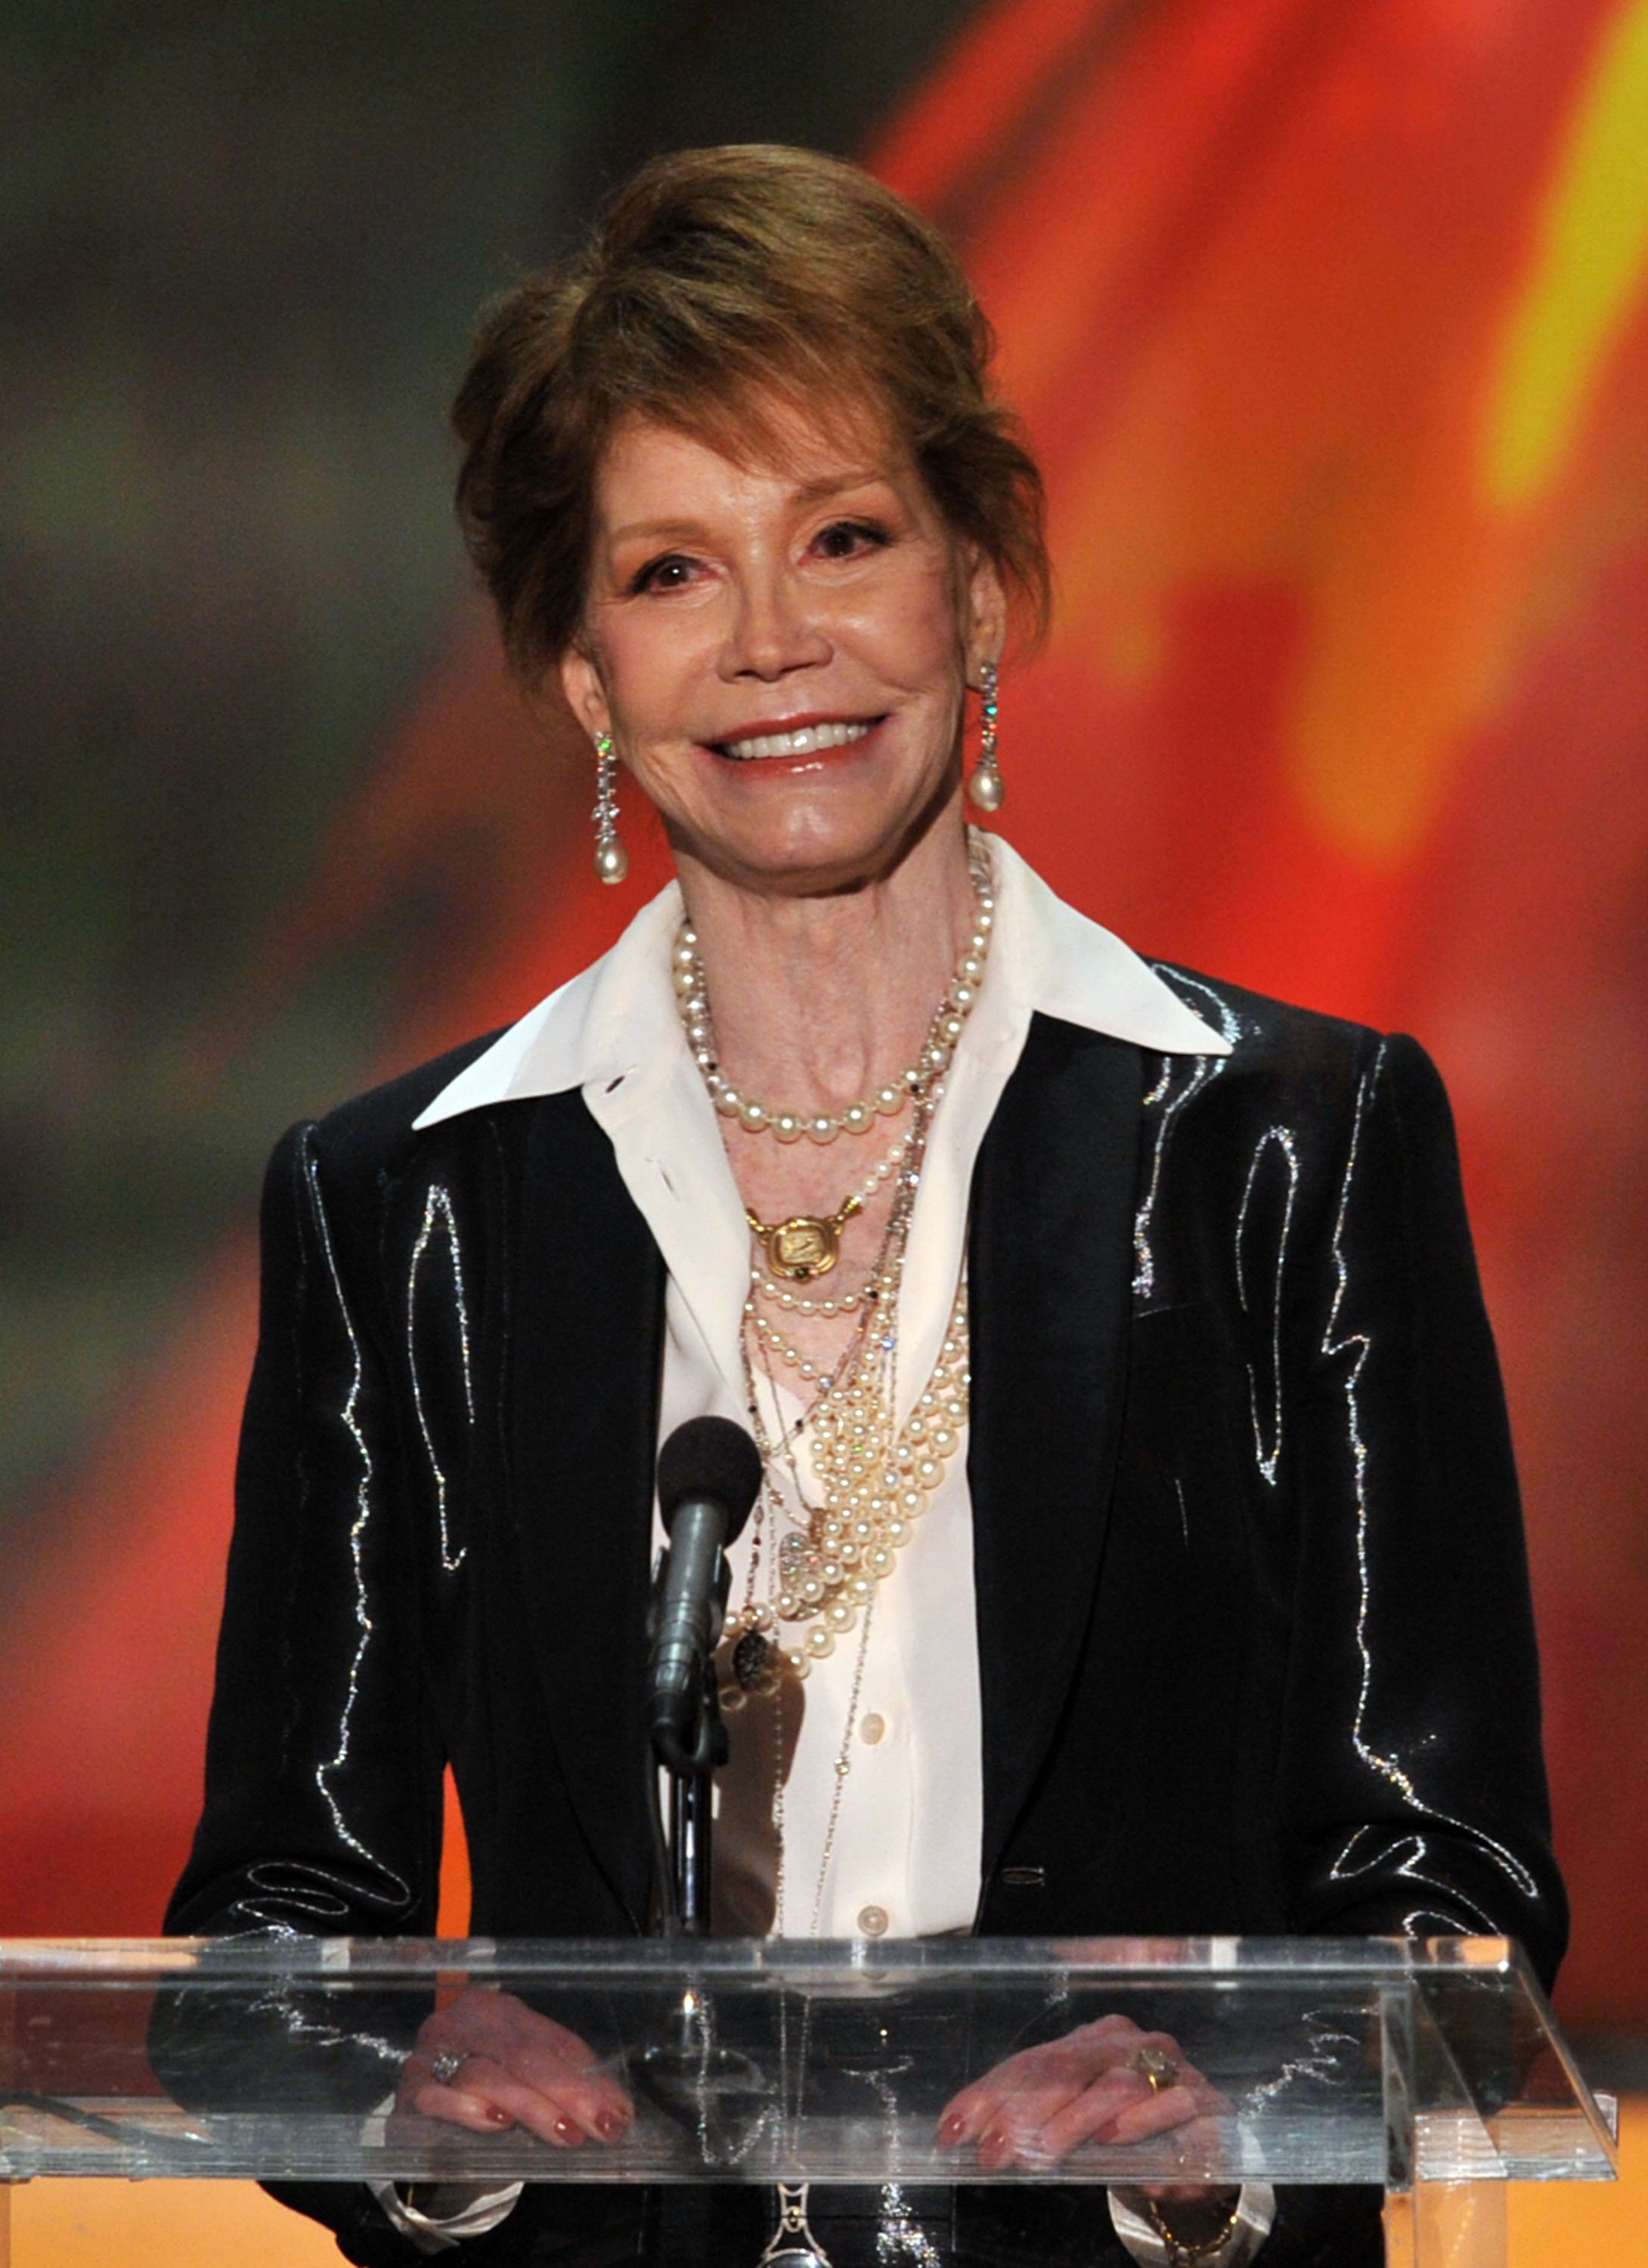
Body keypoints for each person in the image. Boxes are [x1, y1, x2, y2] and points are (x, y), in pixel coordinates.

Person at [166, 145, 1566, 2266]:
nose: (772, 644)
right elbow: (279, 1926)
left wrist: (1229, 2113)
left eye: (841, 536)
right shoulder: (408, 1202)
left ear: (978, 584)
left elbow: (1444, 1886)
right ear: (578, 677)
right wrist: (418, 2112)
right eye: (665, 573)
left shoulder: (1288, 1141)